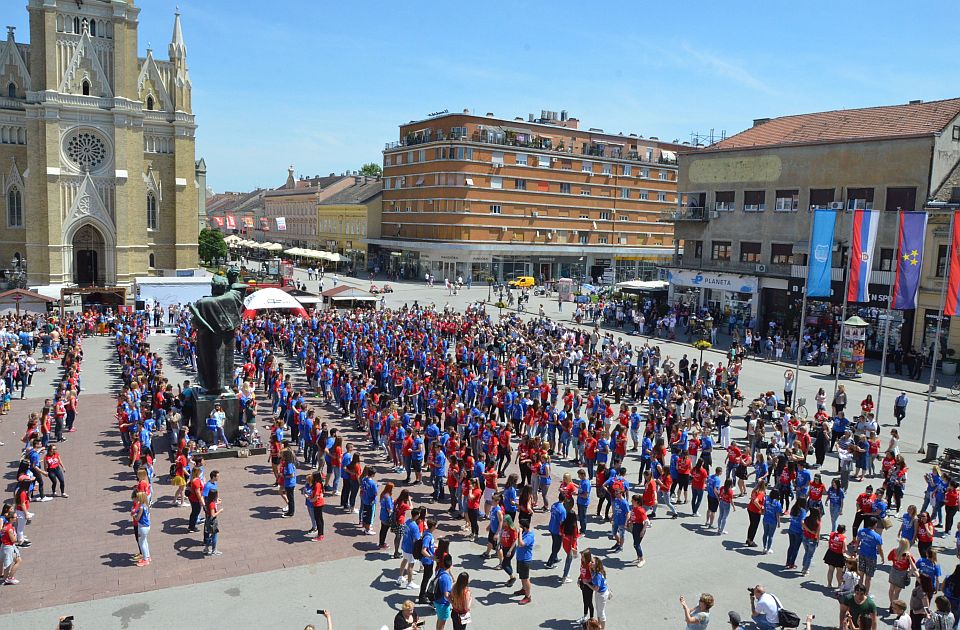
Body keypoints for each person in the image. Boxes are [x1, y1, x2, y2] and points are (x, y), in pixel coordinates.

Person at [515, 519, 535, 605]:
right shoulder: (525, 533)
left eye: (521, 527)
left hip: (525, 560)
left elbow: (521, 544)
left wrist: (520, 533)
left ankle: (528, 596)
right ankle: (524, 589)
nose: (519, 528)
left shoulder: (529, 536)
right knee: (522, 577)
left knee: (525, 579)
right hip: (520, 559)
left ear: (525, 528)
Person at [433, 555, 455, 629]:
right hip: (443, 603)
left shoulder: (440, 570)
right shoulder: (446, 578)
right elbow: (446, 595)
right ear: (451, 564)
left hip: (437, 601)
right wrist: (453, 603)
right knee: (442, 624)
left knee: (439, 620)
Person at [589, 557, 610, 629]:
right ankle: (599, 626)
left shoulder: (598, 575)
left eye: (592, 562)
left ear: (596, 565)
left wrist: (587, 584)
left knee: (601, 612)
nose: (590, 563)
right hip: (599, 593)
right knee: (598, 609)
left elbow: (596, 589)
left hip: (602, 594)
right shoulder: (593, 571)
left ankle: (602, 628)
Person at [202, 488, 222, 556]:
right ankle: (214, 550)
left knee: (211, 535)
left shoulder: (208, 501)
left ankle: (206, 548)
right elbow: (213, 515)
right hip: (212, 521)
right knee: (214, 536)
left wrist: (217, 503)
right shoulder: (212, 504)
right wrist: (220, 511)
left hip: (208, 520)